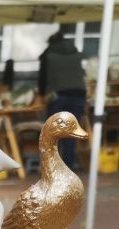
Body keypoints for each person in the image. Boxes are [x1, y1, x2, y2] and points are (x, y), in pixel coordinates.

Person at [38, 30, 86, 170]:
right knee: (70, 132)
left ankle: (51, 167)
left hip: (58, 96)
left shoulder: (48, 55)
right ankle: (69, 164)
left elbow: (42, 78)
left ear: (50, 43)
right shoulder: (75, 53)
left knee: (52, 134)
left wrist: (42, 94)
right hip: (79, 95)